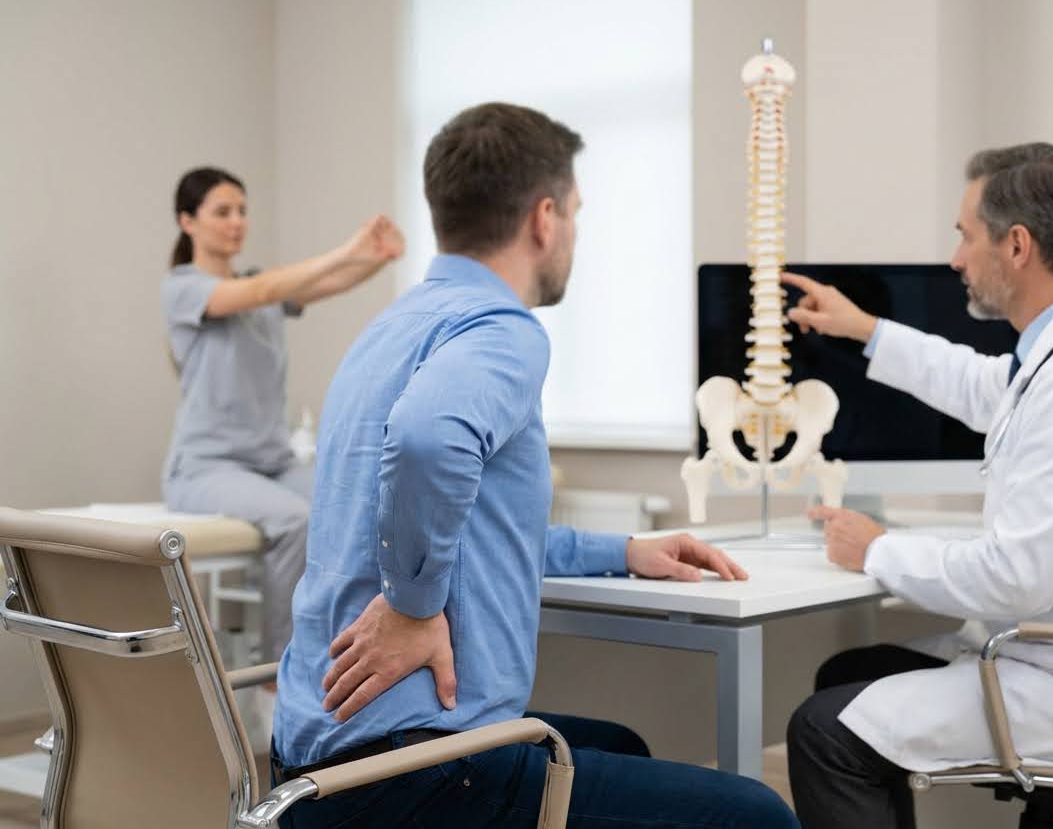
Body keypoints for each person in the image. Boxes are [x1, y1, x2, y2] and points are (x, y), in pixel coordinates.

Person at [271, 103, 799, 828]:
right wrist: (413, 606)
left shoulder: (388, 331)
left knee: (620, 747)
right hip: (411, 776)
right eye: (576, 213)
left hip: (311, 773)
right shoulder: (502, 330)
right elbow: (430, 440)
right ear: (544, 219)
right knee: (757, 816)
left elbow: (471, 534)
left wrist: (625, 551)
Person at [781, 143, 1053, 829]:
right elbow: (988, 388)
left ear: (1018, 246)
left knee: (825, 734)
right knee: (848, 677)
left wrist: (877, 550)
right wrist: (866, 329)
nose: (955, 259)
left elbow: (1016, 579)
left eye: (965, 236)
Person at [161, 167, 404, 662]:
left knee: (359, 502)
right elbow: (263, 290)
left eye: (242, 211)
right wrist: (347, 248)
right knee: (295, 521)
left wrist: (378, 258)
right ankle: (280, 669)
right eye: (222, 212)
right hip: (206, 469)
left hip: (272, 463)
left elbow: (329, 283)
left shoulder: (261, 288)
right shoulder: (185, 287)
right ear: (187, 222)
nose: (237, 222)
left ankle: (348, 650)